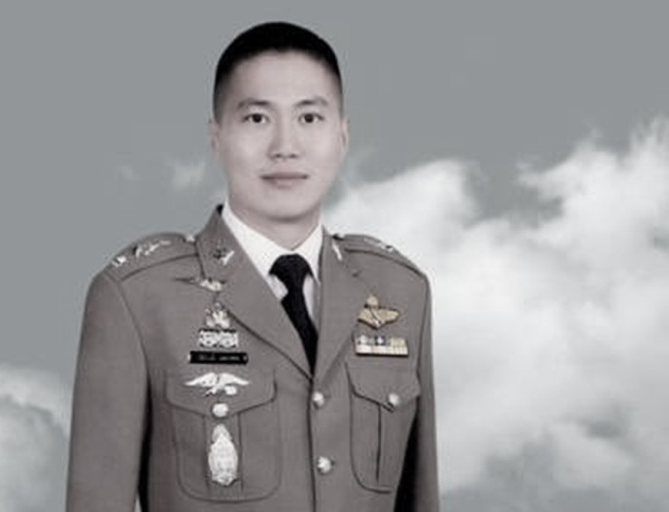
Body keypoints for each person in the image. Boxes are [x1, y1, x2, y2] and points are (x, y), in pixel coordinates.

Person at [66, 21, 438, 512]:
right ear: (216, 137)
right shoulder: (139, 298)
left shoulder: (399, 292)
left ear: (343, 135)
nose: (285, 145)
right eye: (258, 118)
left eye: (309, 118)